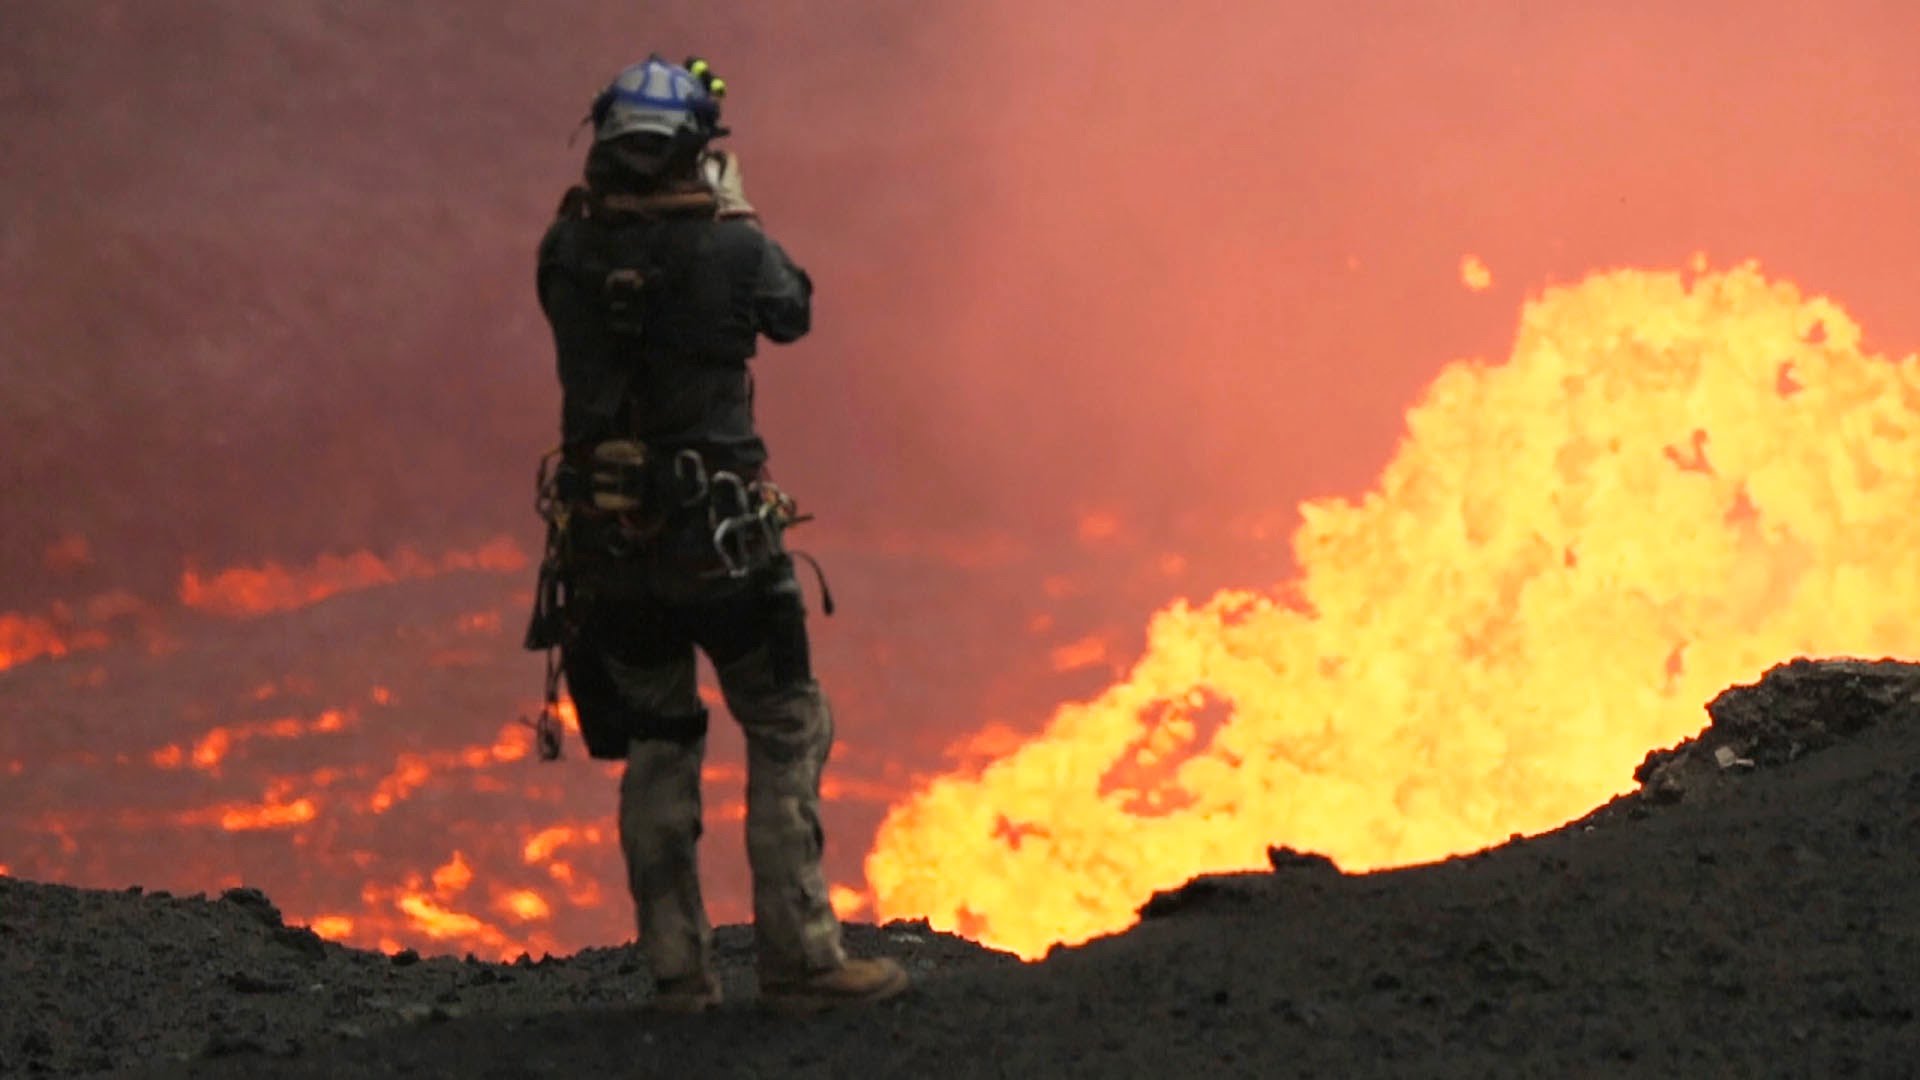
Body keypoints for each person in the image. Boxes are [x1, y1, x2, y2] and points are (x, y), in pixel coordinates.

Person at [530, 55, 909, 1015]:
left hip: (610, 552)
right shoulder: (731, 249)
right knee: (784, 724)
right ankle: (802, 963)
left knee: (659, 739)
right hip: (722, 547)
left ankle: (678, 976)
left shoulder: (563, 251)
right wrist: (731, 210)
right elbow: (792, 309)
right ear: (694, 149)